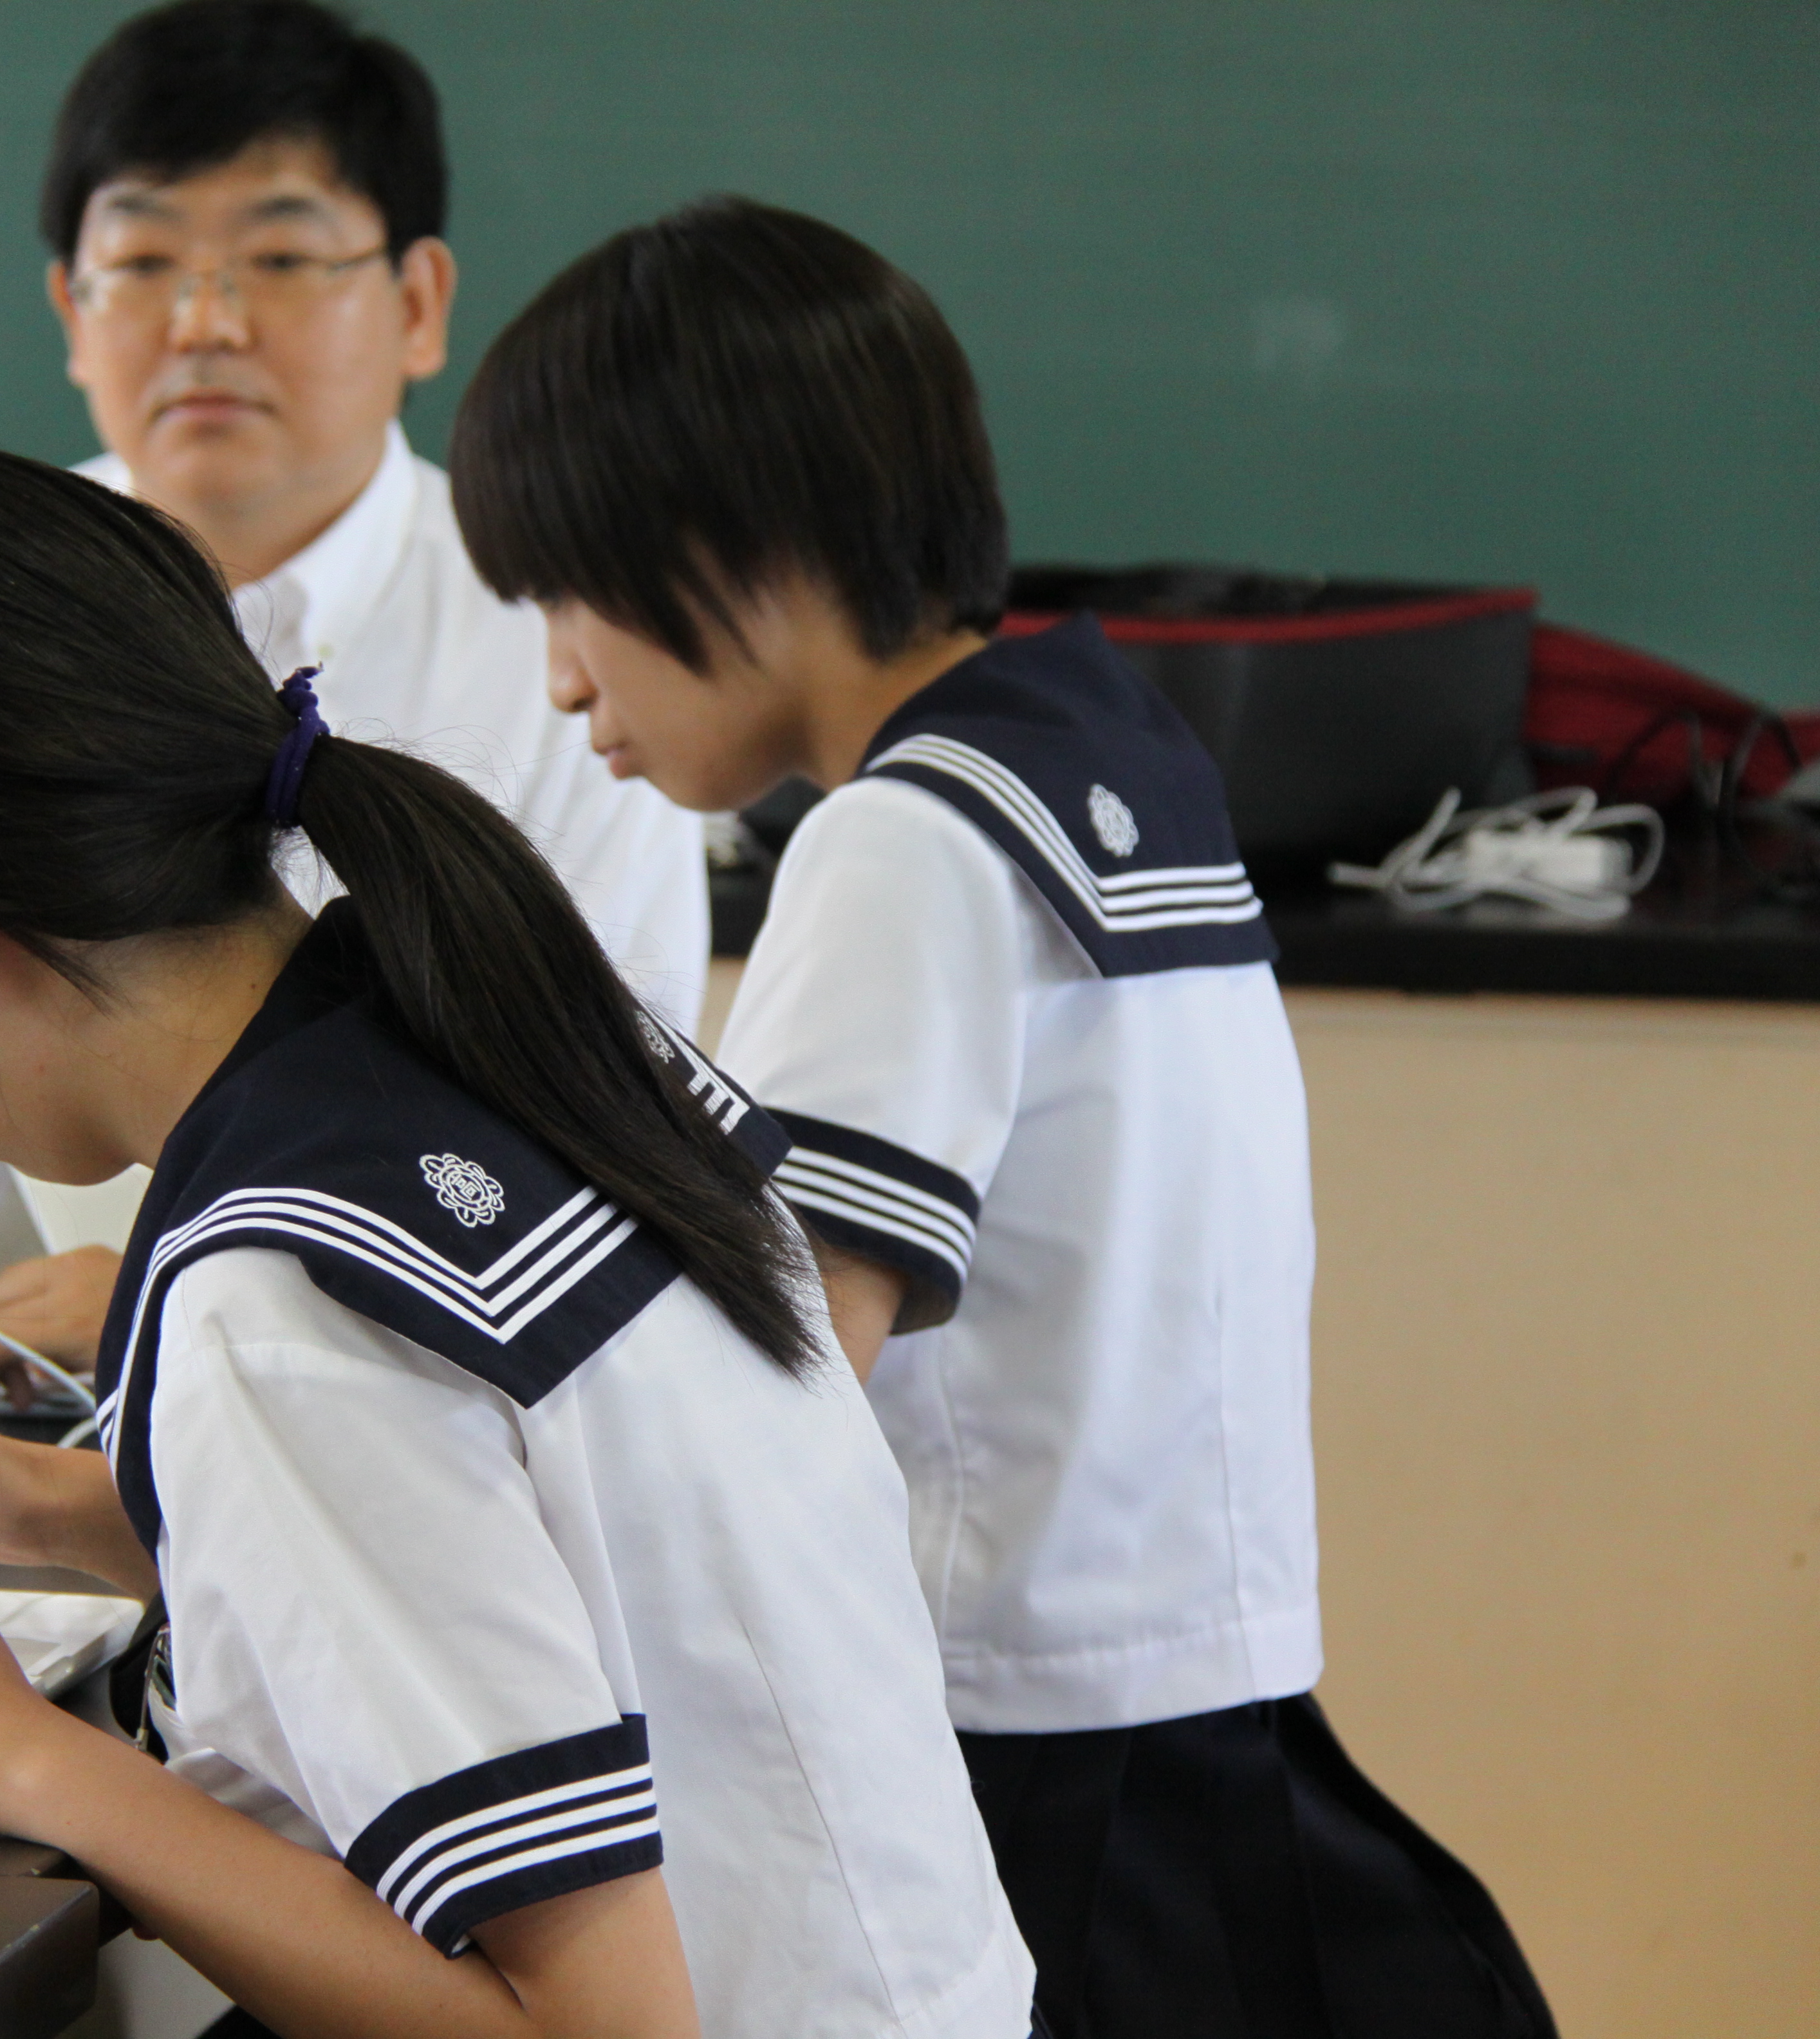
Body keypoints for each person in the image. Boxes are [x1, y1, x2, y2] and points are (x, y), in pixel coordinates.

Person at [0, 443, 1033, 2039]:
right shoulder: (491, 1009)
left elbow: (601, 2031)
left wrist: (14, 1752)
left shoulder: (278, 1303)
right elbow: (515, 1561)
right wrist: (12, 1498)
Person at [447, 196, 1555, 2039]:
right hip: (1207, 1708)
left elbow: (778, 1373)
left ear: (736, 541)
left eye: (570, 596)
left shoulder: (905, 838)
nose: (564, 678)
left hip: (1035, 1763)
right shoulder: (1115, 753)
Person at [0, 0, 709, 1400]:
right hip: (13, 1391)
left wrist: (183, 1268)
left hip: (387, 1381)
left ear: (420, 303)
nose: (204, 322)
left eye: (278, 255)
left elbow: (611, 1117)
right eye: (142, 261)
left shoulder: (555, 635)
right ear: (71, 312)